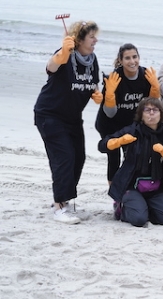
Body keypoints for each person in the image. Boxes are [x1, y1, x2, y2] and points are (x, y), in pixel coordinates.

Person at [34, 20, 101, 224]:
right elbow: (51, 67)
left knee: (78, 157)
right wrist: (63, 53)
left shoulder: (92, 59)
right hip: (50, 115)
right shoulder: (65, 54)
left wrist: (96, 95)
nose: (95, 40)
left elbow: (92, 83)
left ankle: (63, 199)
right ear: (79, 39)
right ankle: (59, 207)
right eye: (91, 36)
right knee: (64, 157)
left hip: (72, 118)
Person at [99, 98, 163, 227]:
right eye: (147, 110)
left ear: (161, 114)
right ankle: (121, 207)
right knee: (139, 219)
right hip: (131, 186)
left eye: (155, 110)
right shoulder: (132, 131)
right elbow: (102, 146)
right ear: (141, 115)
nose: (151, 113)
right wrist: (118, 142)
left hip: (155, 187)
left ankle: (143, 206)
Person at [95, 43, 160, 185]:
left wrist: (155, 88)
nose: (132, 61)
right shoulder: (114, 78)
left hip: (131, 124)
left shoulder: (145, 76)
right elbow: (110, 113)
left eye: (135, 57)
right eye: (127, 58)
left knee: (132, 155)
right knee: (113, 157)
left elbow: (152, 107)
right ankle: (115, 194)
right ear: (121, 60)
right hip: (109, 124)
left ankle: (128, 188)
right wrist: (110, 93)